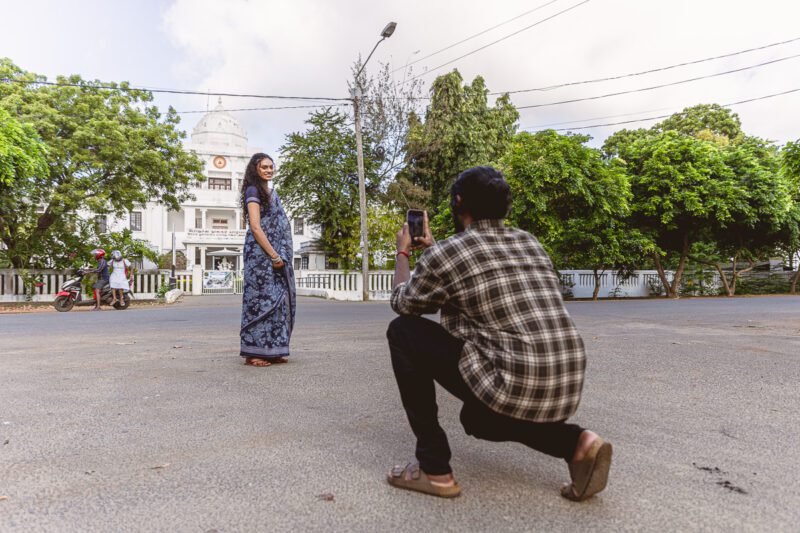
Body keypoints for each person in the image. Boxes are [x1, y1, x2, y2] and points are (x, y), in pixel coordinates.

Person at [386, 166, 612, 501]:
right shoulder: (529, 242)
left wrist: (403, 251)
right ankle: (577, 443)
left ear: (458, 201)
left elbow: (403, 303)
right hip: (565, 380)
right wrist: (436, 251)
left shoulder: (448, 254)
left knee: (402, 331)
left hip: (513, 379)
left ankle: (434, 469)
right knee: (478, 421)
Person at [239, 153, 296, 367]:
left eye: (271, 167)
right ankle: (254, 353)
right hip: (260, 257)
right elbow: (255, 226)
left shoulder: (269, 192)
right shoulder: (253, 191)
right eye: (264, 167)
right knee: (259, 302)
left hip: (274, 254)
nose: (269, 170)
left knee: (277, 301)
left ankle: (272, 350)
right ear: (255, 168)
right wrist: (274, 254)